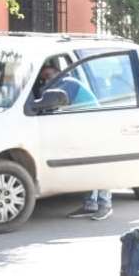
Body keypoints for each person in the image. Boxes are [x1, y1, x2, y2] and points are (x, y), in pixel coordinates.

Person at [35, 63, 113, 220]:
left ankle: (105, 204)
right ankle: (90, 204)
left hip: (95, 128)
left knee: (97, 167)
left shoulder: (69, 84)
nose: (47, 80)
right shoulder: (61, 85)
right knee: (86, 167)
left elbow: (53, 103)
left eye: (49, 75)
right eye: (44, 78)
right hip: (83, 129)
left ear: (58, 73)